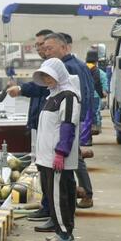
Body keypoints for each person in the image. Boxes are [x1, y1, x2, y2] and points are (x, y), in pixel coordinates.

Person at [41, 32, 94, 208]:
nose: (46, 51)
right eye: (43, 48)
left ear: (63, 47)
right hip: (76, 119)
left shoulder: (68, 69)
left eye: (49, 48)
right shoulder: (77, 64)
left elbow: (81, 95)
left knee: (73, 159)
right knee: (75, 158)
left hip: (71, 121)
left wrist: (80, 121)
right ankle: (84, 193)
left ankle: (84, 194)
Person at [31, 58, 81, 241]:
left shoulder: (68, 96)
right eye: (43, 76)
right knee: (53, 197)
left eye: (49, 75)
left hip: (55, 159)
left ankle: (65, 235)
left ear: (59, 75)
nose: (46, 79)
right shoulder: (53, 96)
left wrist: (60, 153)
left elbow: (68, 126)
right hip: (46, 159)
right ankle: (62, 231)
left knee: (59, 198)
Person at [6, 29, 54, 223]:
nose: (41, 49)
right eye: (38, 46)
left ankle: (51, 211)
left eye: (43, 45)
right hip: (41, 123)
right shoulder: (48, 65)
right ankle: (47, 206)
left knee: (50, 173)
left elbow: (40, 87)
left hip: (51, 129)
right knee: (43, 171)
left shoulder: (55, 67)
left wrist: (21, 88)